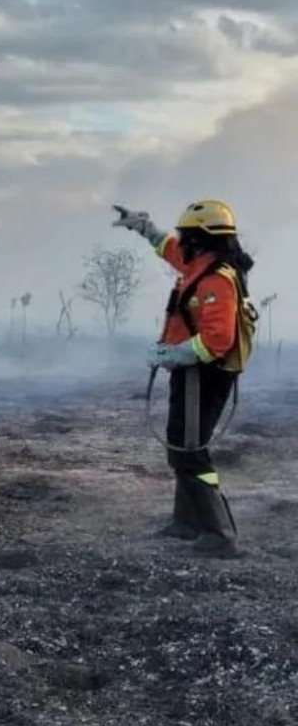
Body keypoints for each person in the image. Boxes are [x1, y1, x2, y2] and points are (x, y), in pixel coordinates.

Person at [112, 199, 256, 557]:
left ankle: (219, 534)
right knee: (180, 443)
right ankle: (187, 523)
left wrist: (171, 354)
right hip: (190, 373)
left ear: (202, 238)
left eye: (187, 235)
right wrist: (142, 225)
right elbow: (169, 250)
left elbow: (217, 340)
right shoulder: (201, 265)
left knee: (190, 451)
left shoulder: (216, 280)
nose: (181, 241)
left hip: (203, 377)